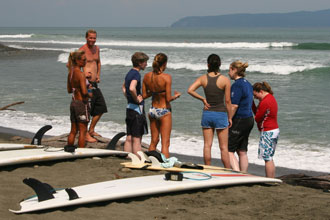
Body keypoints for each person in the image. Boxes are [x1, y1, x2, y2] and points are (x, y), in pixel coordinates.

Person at [187, 54, 232, 168]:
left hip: (207, 114)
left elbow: (190, 90)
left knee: (207, 145)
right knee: (224, 147)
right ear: (220, 65)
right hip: (221, 114)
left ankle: (207, 167)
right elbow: (227, 101)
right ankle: (228, 170)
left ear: (208, 64)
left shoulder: (203, 78)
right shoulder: (225, 80)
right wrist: (230, 117)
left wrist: (202, 99)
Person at [142, 53, 181, 158]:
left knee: (154, 140)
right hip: (164, 111)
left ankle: (150, 160)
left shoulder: (147, 76)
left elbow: (144, 95)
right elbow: (168, 99)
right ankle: (165, 164)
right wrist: (176, 96)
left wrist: (154, 92)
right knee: (165, 143)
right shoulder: (166, 77)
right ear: (164, 63)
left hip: (152, 110)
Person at [79, 29, 107, 142]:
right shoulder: (82, 50)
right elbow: (73, 66)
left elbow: (98, 62)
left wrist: (98, 75)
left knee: (101, 107)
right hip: (86, 84)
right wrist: (83, 74)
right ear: (86, 38)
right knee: (87, 110)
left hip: (95, 83)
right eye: (90, 38)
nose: (92, 40)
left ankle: (91, 129)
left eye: (94, 38)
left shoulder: (97, 49)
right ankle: (85, 133)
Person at [227, 61, 254, 172]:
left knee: (229, 150)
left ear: (234, 70)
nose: (228, 73)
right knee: (242, 151)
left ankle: (237, 173)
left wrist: (229, 118)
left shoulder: (237, 85)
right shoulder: (248, 83)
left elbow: (234, 106)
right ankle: (244, 174)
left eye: (229, 70)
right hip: (249, 119)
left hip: (240, 119)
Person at [122, 52, 149, 156]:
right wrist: (136, 99)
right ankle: (137, 158)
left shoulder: (129, 73)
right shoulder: (136, 74)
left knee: (129, 137)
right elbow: (132, 88)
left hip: (129, 108)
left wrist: (128, 98)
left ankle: (128, 157)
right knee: (137, 137)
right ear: (139, 63)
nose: (146, 64)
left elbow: (123, 87)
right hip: (137, 109)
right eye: (145, 62)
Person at [252, 82, 279, 178]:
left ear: (261, 91)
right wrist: (253, 105)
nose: (255, 98)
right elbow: (259, 113)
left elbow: (257, 118)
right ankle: (272, 178)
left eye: (255, 95)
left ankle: (269, 179)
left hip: (268, 131)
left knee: (267, 158)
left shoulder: (265, 101)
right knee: (270, 157)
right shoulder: (271, 98)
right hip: (274, 130)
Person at [66, 51, 91, 148]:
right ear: (77, 60)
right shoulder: (81, 74)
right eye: (84, 60)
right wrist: (91, 94)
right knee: (83, 130)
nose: (85, 62)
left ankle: (69, 147)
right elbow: (84, 92)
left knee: (73, 130)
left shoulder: (70, 73)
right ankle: (82, 151)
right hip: (81, 104)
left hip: (73, 102)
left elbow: (69, 90)